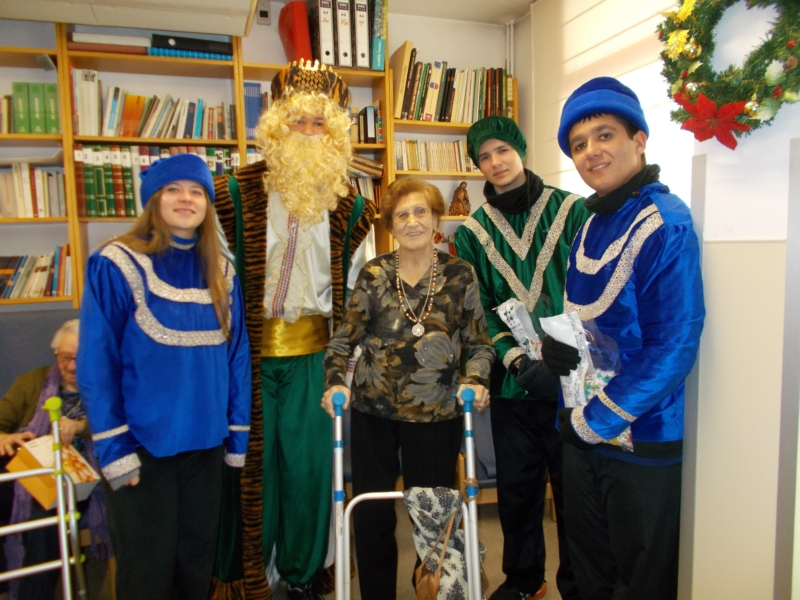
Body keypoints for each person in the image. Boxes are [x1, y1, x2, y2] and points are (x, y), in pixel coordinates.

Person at [210, 59, 377, 600]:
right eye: (297, 120)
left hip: (314, 359)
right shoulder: (231, 193)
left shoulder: (353, 208)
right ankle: (250, 576)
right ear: (276, 125)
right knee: (250, 470)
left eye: (318, 122)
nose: (307, 131)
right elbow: (215, 282)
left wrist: (345, 370)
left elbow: (358, 299)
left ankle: (303, 574)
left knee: (308, 471)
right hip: (247, 359)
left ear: (335, 132)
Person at [547, 76, 705, 599]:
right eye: (578, 145)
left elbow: (674, 347)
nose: (590, 151)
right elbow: (584, 320)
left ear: (639, 139)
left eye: (604, 135)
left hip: (642, 436)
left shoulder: (666, 222)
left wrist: (594, 421)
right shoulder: (589, 224)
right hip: (581, 434)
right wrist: (556, 351)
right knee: (590, 573)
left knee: (641, 583)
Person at [77, 152, 252, 600]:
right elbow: (96, 364)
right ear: (154, 198)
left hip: (205, 448)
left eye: (196, 192)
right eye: (173, 189)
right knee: (146, 573)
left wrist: (237, 436)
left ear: (208, 204)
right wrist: (115, 449)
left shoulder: (223, 271)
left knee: (195, 568)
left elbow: (237, 359)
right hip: (142, 450)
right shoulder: (114, 263)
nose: (186, 199)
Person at [321, 178, 495, 599]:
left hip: (437, 414)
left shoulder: (459, 274)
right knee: (373, 515)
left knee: (433, 516)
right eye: (402, 214)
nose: (412, 221)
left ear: (436, 220)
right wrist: (335, 383)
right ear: (391, 224)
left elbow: (479, 344)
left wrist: (475, 379)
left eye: (421, 212)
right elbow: (343, 341)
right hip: (373, 412)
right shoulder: (374, 273)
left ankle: (431, 589)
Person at [453, 115, 589, 600]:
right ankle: (525, 579)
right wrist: (514, 361)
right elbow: (479, 308)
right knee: (518, 489)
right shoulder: (471, 232)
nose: (496, 163)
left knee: (575, 491)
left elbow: (589, 286)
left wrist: (561, 355)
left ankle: (578, 582)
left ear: (521, 150)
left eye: (503, 151)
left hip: (572, 377)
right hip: (513, 383)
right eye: (484, 157)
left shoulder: (572, 210)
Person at [0, 319, 108, 600]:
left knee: (45, 514)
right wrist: (5, 438)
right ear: (56, 355)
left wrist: (81, 426)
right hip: (30, 470)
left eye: (80, 358)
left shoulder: (108, 387)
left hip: (83, 480)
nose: (72, 366)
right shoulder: (32, 382)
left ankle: (32, 594)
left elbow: (123, 427)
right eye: (65, 357)